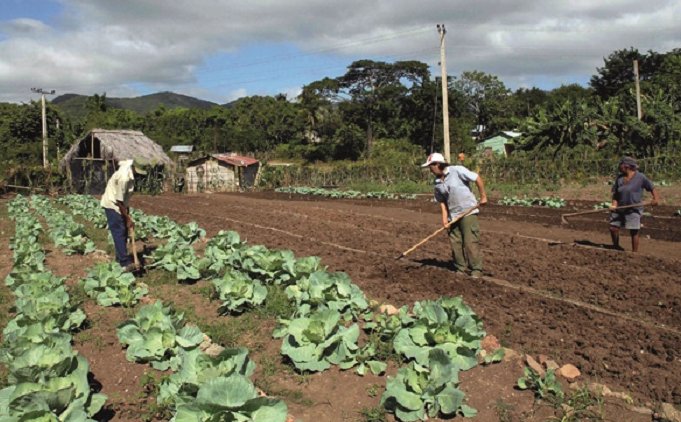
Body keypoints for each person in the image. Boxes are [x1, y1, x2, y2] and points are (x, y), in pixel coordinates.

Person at [422, 152, 488, 278]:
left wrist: (483, 196)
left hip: (468, 211)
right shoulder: (437, 183)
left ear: (437, 165)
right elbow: (442, 202)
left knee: (470, 242)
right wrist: (444, 219)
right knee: (455, 243)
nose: (430, 170)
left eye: (431, 166)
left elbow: (477, 178)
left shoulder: (457, 170)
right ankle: (460, 267)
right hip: (453, 215)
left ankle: (476, 269)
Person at [101, 159, 146, 270]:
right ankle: (124, 263)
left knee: (123, 232)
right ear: (133, 168)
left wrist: (127, 214)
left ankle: (120, 258)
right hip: (112, 205)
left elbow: (123, 199)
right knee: (119, 232)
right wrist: (127, 218)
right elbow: (119, 201)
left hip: (120, 204)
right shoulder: (124, 178)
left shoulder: (129, 171)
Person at [609, 156, 660, 252]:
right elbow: (615, 194)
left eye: (620, 165)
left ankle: (634, 253)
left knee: (634, 231)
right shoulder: (619, 178)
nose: (619, 167)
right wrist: (614, 205)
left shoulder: (640, 177)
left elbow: (652, 188)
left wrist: (655, 199)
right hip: (620, 208)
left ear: (626, 166)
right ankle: (616, 247)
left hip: (634, 208)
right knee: (613, 228)